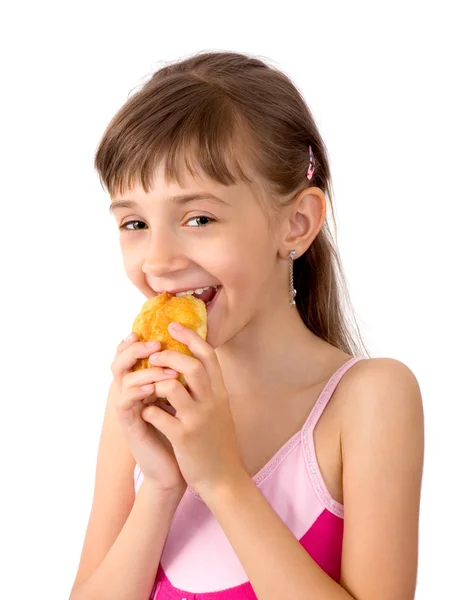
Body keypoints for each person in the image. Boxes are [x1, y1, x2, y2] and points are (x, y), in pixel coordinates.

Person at [69, 51, 424, 600]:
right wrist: (162, 487)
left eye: (199, 218)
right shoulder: (141, 402)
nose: (158, 261)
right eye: (134, 222)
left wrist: (220, 479)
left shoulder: (370, 401)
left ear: (296, 224)